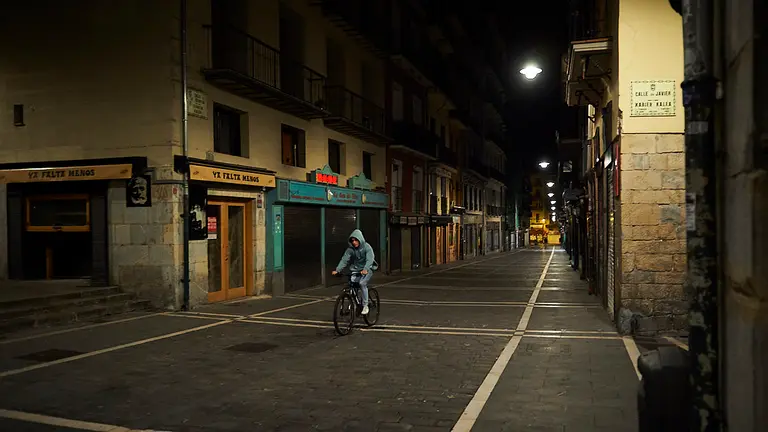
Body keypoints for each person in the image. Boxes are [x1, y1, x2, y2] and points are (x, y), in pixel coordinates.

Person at [331, 229, 376, 315]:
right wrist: (337, 270)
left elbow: (370, 259)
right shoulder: (350, 249)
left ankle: (365, 305)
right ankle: (355, 303)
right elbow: (344, 260)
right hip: (356, 269)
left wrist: (366, 269)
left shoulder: (367, 247)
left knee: (362, 283)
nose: (354, 242)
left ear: (360, 239)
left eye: (356, 240)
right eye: (352, 241)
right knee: (352, 284)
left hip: (367, 269)